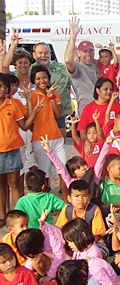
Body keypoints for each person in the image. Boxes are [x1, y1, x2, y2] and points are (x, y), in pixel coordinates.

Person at [0, 74, 41, 223]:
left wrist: (35, 111)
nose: (3, 89)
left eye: (5, 86)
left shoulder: (13, 104)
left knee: (15, 183)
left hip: (12, 149)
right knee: (1, 185)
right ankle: (2, 216)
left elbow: (24, 125)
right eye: (0, 86)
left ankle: (18, 215)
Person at [29, 65, 68, 195]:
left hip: (56, 137)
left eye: (44, 78)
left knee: (63, 169)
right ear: (33, 80)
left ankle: (65, 200)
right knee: (44, 175)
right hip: (40, 139)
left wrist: (51, 97)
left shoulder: (54, 93)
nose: (42, 81)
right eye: (38, 78)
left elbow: (58, 114)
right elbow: (30, 118)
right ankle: (45, 203)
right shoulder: (32, 95)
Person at [31, 42, 73, 142]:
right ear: (34, 55)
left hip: (59, 113)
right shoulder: (29, 69)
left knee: (60, 146)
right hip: (39, 116)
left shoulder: (62, 69)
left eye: (46, 53)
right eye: (40, 53)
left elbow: (72, 66)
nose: (43, 56)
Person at [77, 78, 120, 153]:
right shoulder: (88, 108)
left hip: (112, 145)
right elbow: (82, 130)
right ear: (97, 90)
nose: (109, 92)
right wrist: (86, 141)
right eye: (105, 89)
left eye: (111, 89)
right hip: (95, 147)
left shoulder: (117, 107)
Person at [64, 17, 99, 112]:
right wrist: (73, 36)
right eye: (85, 51)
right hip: (86, 110)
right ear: (79, 53)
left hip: (102, 109)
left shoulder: (98, 66)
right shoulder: (78, 68)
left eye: (90, 51)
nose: (88, 54)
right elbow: (68, 60)